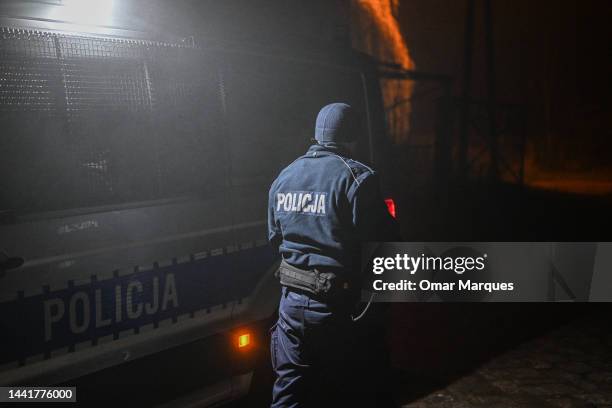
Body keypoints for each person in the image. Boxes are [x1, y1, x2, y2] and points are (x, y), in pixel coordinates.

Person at [267, 102, 400, 407]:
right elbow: (385, 245)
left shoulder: (284, 176)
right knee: (350, 391)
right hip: (337, 310)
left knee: (290, 392)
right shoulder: (358, 178)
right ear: (352, 135)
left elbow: (275, 239)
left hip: (290, 306)